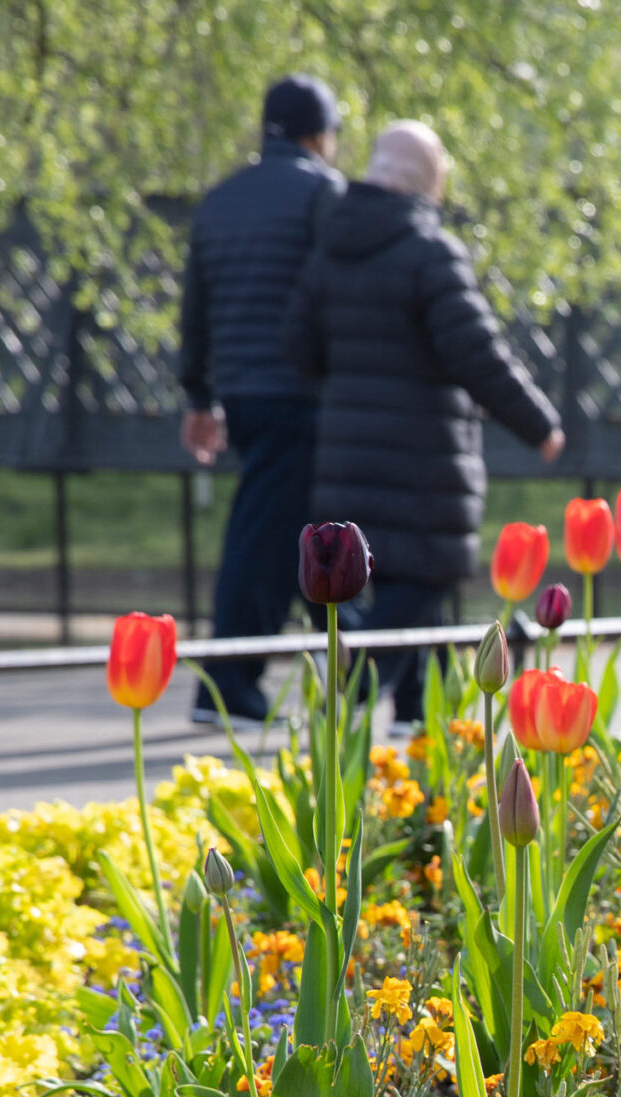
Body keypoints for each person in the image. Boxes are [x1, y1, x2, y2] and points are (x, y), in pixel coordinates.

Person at [286, 120, 565, 729]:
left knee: (412, 600)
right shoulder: (428, 252)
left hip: (347, 461)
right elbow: (476, 354)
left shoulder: (328, 252)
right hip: (421, 468)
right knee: (417, 590)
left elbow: (301, 349)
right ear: (428, 183)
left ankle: (419, 724)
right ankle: (341, 709)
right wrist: (539, 424)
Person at [178, 75, 346, 727]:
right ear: (317, 134)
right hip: (301, 392)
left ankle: (343, 676)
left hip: (242, 393)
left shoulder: (220, 201)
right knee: (267, 538)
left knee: (291, 530)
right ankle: (229, 686)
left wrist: (198, 393)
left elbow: (196, 307)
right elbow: (331, 293)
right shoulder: (323, 194)